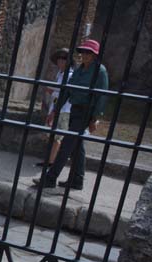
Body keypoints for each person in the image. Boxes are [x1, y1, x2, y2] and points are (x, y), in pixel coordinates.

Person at [34, 39, 108, 192]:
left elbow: (101, 96)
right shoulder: (80, 70)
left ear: (94, 55)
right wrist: (55, 110)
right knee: (77, 147)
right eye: (82, 52)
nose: (84, 55)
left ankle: (50, 178)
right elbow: (67, 91)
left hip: (85, 112)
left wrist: (94, 119)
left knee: (67, 145)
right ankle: (77, 180)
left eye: (88, 53)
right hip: (75, 109)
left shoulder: (100, 71)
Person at [37, 48, 73, 171]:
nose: (60, 61)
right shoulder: (60, 74)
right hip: (57, 107)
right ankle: (49, 160)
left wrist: (52, 91)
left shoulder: (69, 75)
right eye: (59, 59)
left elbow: (64, 95)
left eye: (64, 59)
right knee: (52, 136)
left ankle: (52, 162)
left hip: (63, 110)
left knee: (57, 137)